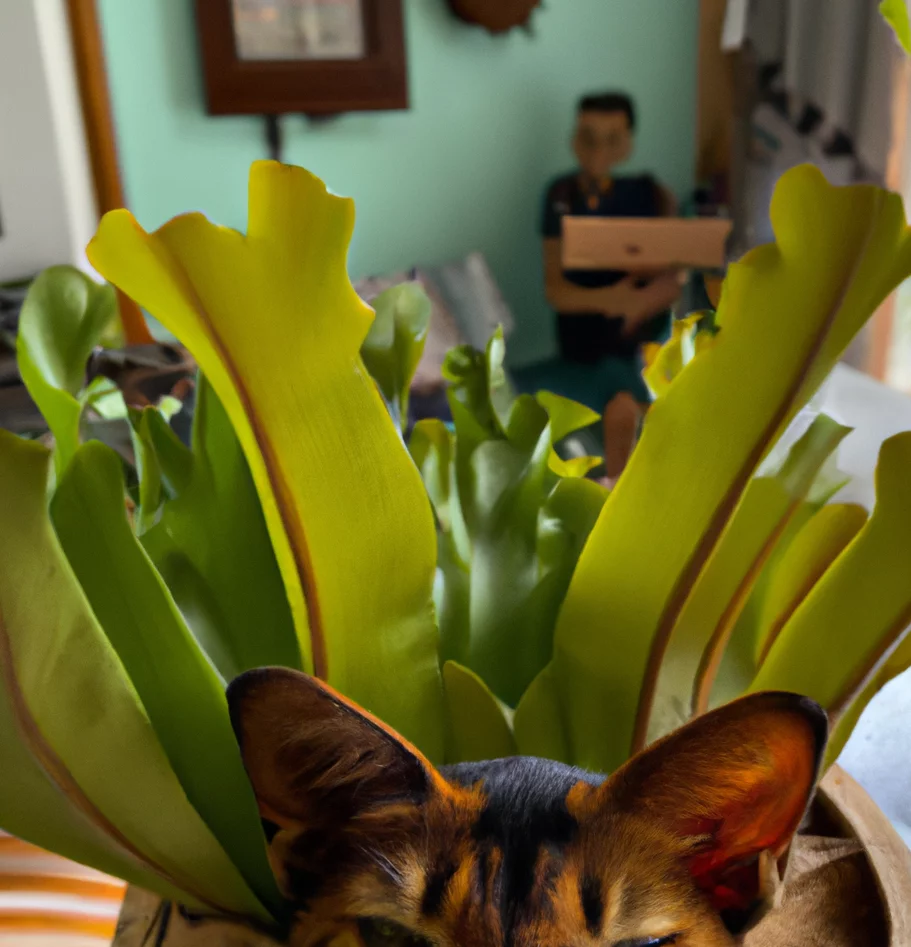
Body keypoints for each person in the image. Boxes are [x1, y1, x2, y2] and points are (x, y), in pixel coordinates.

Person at [540, 92, 684, 480]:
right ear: (574, 139)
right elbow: (556, 290)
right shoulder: (561, 195)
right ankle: (617, 487)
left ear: (628, 144)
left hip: (641, 338)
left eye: (612, 138)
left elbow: (674, 273)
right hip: (585, 344)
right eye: (588, 137)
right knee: (620, 401)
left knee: (636, 396)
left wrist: (642, 298)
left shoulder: (652, 195)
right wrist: (612, 299)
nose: (598, 150)